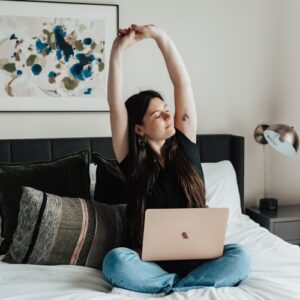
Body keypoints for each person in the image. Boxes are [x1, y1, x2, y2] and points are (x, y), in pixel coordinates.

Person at [102, 24, 251, 294]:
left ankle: (174, 287)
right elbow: (115, 104)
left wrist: (160, 37)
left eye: (167, 109)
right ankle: (178, 285)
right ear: (138, 128)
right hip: (152, 265)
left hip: (202, 260)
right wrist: (117, 51)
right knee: (115, 261)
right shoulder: (132, 161)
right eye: (157, 115)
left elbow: (182, 83)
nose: (168, 116)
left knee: (240, 255)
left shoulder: (185, 145)